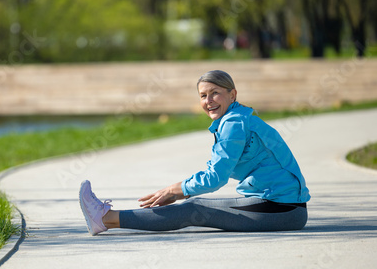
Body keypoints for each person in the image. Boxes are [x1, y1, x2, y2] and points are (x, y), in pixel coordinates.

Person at [79, 70, 310, 236]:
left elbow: (215, 178)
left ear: (233, 94)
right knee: (194, 206)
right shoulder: (237, 118)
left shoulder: (234, 123)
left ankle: (105, 218)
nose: (208, 101)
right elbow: (216, 170)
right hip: (282, 207)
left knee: (194, 209)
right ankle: (106, 219)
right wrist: (182, 191)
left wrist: (175, 190)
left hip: (281, 209)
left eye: (215, 93)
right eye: (202, 96)